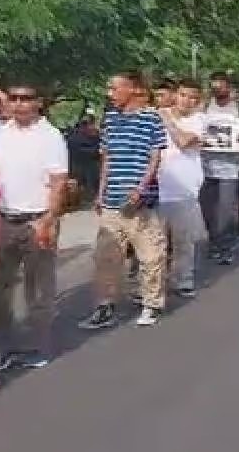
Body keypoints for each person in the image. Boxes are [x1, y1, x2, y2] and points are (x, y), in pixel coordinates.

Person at [0, 81, 69, 371]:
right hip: (4, 220)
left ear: (38, 102)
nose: (19, 103)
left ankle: (39, 347)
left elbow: (58, 183)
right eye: (15, 98)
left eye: (26, 98)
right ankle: (3, 347)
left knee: (38, 288)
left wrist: (48, 221)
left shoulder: (50, 136)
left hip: (37, 219)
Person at [79, 70, 169, 330]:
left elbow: (154, 157)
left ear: (134, 89)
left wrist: (141, 188)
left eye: (115, 88)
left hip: (139, 200)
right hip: (112, 198)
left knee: (150, 254)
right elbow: (106, 158)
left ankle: (152, 303)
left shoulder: (151, 118)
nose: (110, 94)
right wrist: (100, 191)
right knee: (106, 256)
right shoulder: (109, 120)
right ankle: (104, 306)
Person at [157, 78, 206, 299]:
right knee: (155, 243)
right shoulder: (155, 116)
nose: (187, 101)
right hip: (157, 188)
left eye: (193, 98)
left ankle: (183, 279)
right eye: (183, 95)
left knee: (183, 241)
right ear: (175, 94)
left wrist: (168, 120)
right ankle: (153, 284)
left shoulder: (200, 120)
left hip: (185, 190)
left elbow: (184, 141)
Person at [200, 71, 239, 264]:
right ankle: (214, 242)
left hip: (230, 168)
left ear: (228, 87)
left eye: (220, 86)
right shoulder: (204, 108)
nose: (217, 89)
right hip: (206, 167)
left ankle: (225, 247)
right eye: (214, 86)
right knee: (207, 210)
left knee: (226, 210)